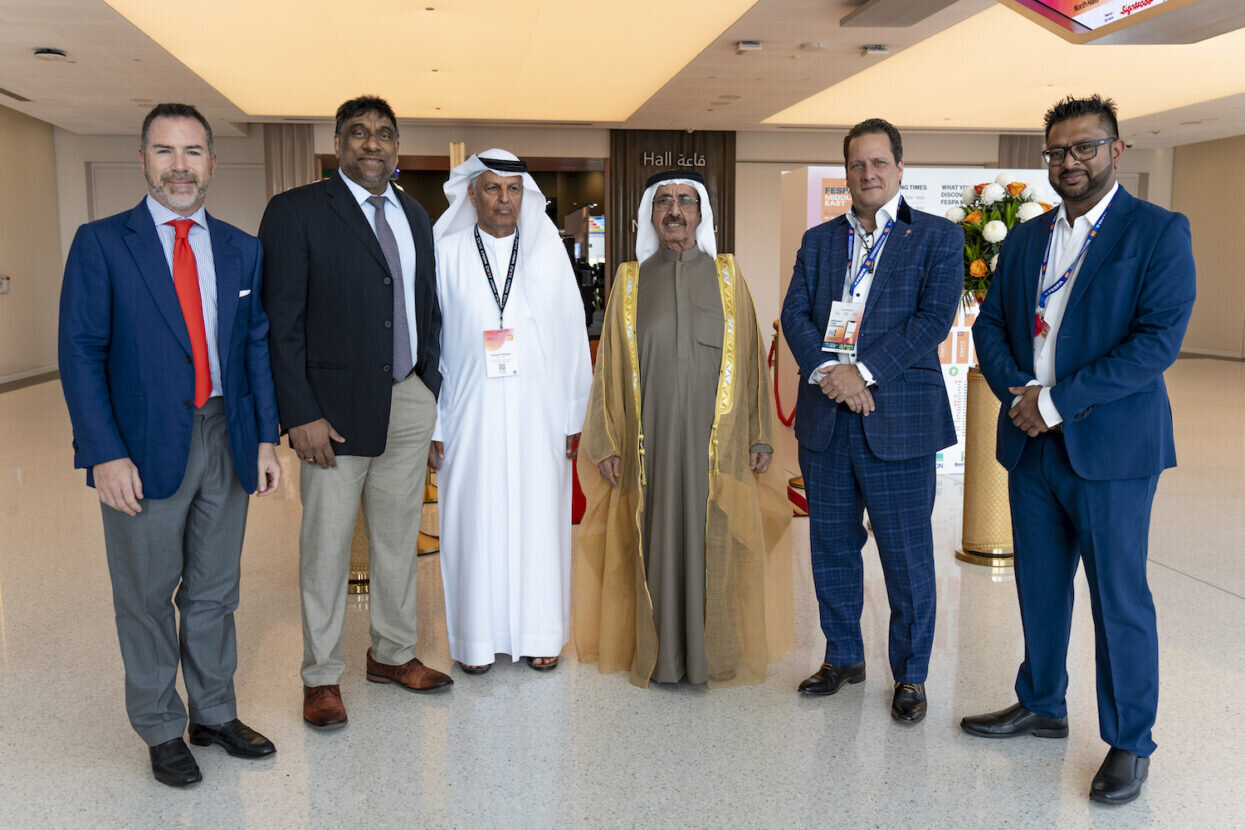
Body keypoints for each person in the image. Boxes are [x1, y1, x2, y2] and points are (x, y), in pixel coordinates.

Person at [963, 95, 1196, 806]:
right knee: (1038, 586)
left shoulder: (1156, 233)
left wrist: (1056, 401)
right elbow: (989, 326)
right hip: (1031, 446)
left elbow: (1155, 343)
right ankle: (1041, 702)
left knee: (1118, 599)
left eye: (1084, 148)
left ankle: (1130, 741)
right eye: (1057, 151)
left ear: (1116, 151)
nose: (1069, 162)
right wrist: (1019, 393)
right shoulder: (1026, 239)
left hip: (1111, 451)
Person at [58, 103, 281, 787]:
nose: (179, 166)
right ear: (143, 160)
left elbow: (254, 348)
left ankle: (213, 713)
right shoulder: (102, 243)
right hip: (141, 445)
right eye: (164, 151)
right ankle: (160, 727)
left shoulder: (242, 248)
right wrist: (103, 452)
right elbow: (80, 352)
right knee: (147, 595)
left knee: (215, 591)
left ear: (212, 162)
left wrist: (265, 438)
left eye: (192, 152)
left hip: (226, 437)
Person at [259, 95, 451, 730]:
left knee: (398, 539)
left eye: (385, 134)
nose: (373, 143)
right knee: (327, 547)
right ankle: (320, 677)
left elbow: (426, 306)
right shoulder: (296, 211)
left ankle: (392, 655)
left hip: (407, 400)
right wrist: (299, 413)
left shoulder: (415, 214)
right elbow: (280, 322)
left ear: (397, 147)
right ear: (338, 143)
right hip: (330, 416)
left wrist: (427, 387)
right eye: (359, 133)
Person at [575, 170, 792, 688]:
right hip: (648, 446)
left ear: (701, 214)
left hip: (714, 447)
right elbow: (608, 370)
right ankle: (660, 656)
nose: (675, 210)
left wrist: (760, 434)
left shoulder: (727, 276)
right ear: (651, 215)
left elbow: (752, 361)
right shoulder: (629, 282)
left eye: (686, 201)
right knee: (651, 542)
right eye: (665, 201)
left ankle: (713, 654)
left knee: (716, 541)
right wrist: (606, 441)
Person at [781, 118, 963, 723]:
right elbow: (795, 314)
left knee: (906, 556)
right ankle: (843, 656)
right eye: (858, 164)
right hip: (827, 420)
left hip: (899, 422)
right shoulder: (818, 241)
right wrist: (829, 373)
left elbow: (933, 320)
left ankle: (911, 674)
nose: (868, 173)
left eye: (879, 162)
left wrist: (862, 373)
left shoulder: (937, 237)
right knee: (831, 547)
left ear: (900, 168)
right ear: (846, 172)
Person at [429, 149, 592, 674]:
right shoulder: (446, 253)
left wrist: (575, 417)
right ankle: (475, 641)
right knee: (471, 522)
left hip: (538, 416)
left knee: (539, 519)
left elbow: (572, 337)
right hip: (467, 413)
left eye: (513, 188)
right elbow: (429, 346)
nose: (504, 199)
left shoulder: (547, 253)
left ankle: (541, 632)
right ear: (472, 193)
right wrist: (435, 422)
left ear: (525, 195)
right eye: (493, 188)